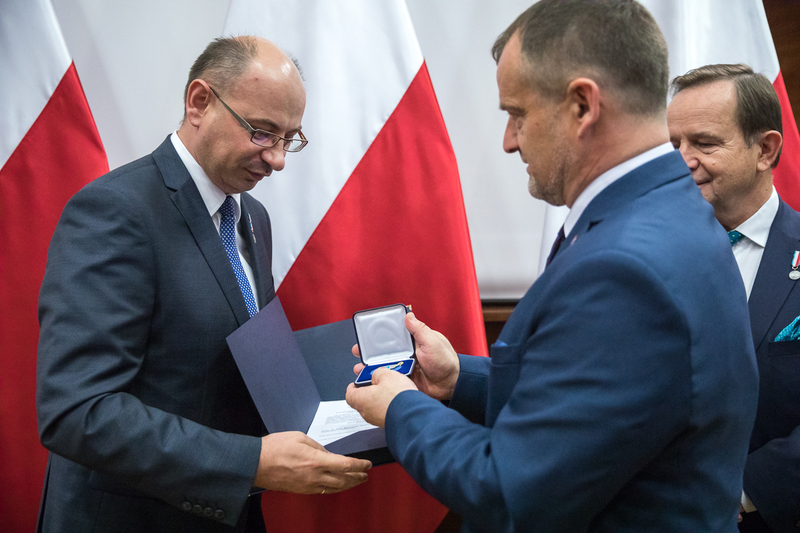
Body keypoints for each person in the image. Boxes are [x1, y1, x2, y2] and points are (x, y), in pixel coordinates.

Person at [346, 1, 759, 531]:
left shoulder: (623, 270)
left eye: (517, 114)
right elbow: (602, 403)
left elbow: (511, 493)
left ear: (582, 106)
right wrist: (458, 380)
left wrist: (402, 407)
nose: (508, 140)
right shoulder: (669, 211)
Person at [36, 36, 371, 532]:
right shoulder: (115, 212)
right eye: (262, 133)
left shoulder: (251, 216)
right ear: (199, 102)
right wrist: (250, 462)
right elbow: (79, 410)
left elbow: (243, 362)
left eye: (290, 139)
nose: (277, 159)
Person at [668, 63, 800, 533]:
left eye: (704, 143)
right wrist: (461, 375)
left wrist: (739, 492)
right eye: (674, 145)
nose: (682, 161)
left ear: (765, 149)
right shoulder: (645, 258)